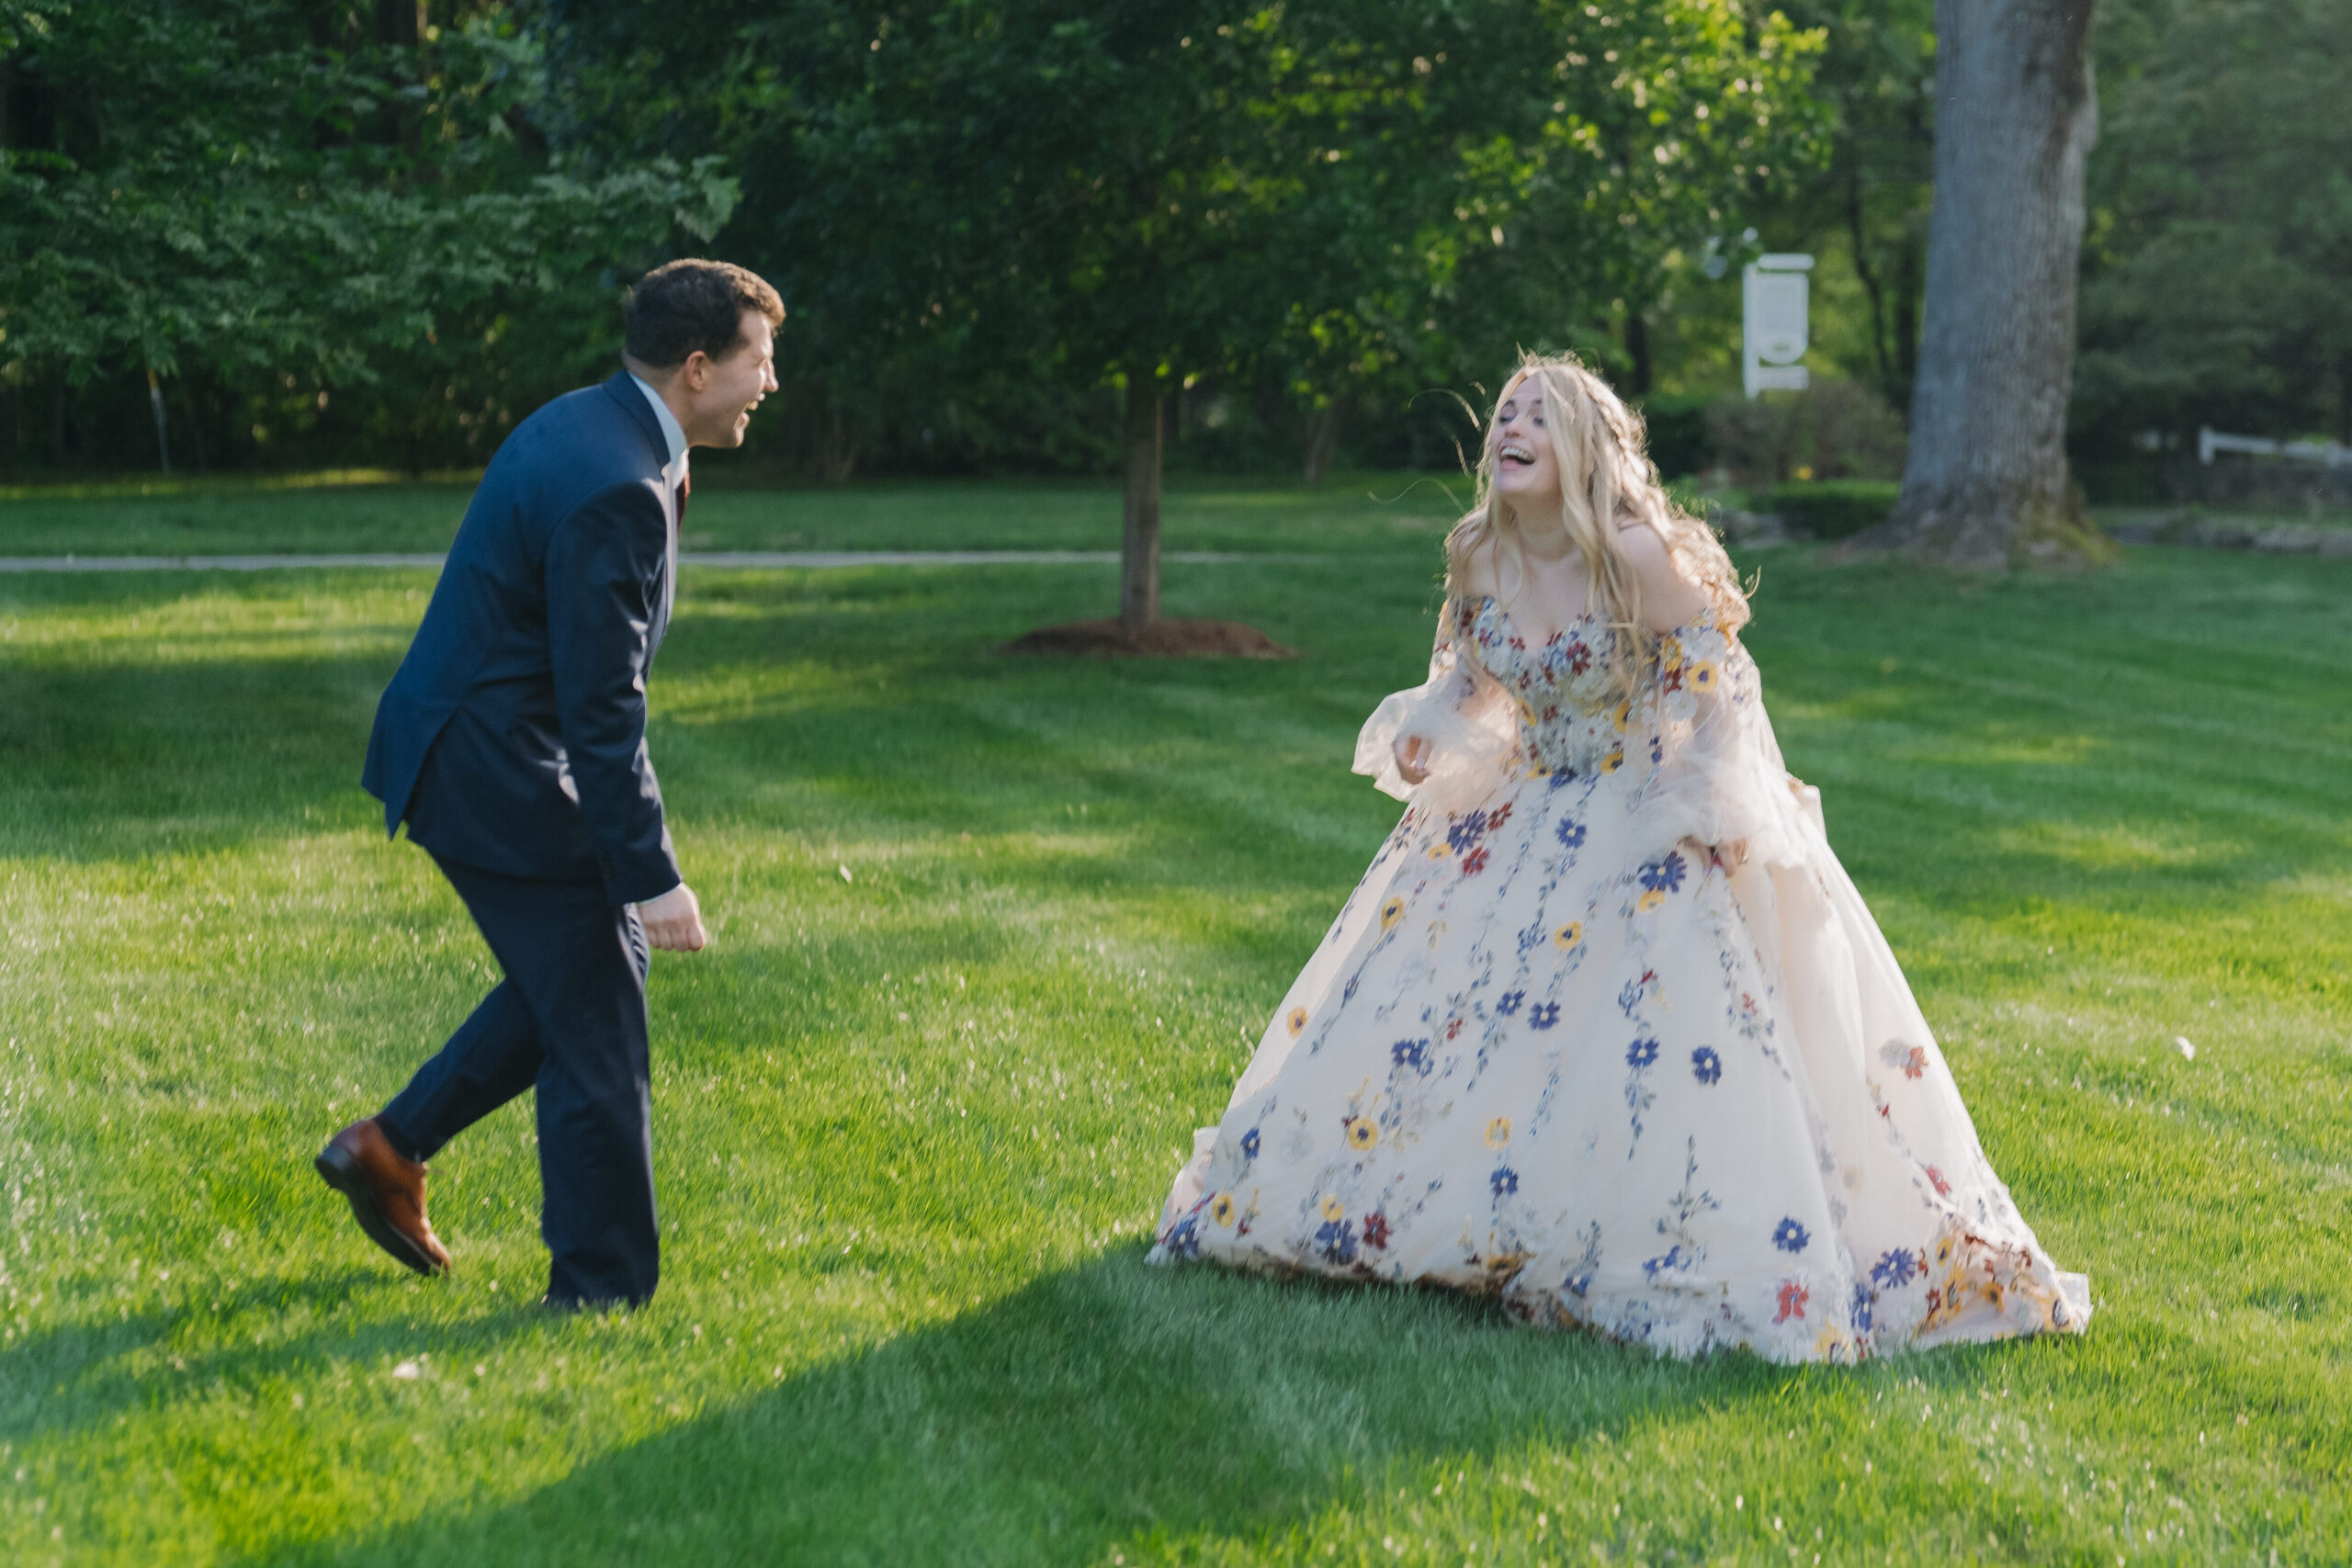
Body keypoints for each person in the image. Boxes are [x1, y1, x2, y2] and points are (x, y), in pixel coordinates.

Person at [1149, 354, 2091, 1362]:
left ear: (1585, 449)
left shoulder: (1643, 559)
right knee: (1447, 1027)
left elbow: (1719, 691)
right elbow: (1474, 674)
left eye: (1536, 420)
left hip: (1638, 807)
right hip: (1516, 816)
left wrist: (1702, 809)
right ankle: (1438, 1218)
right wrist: (1437, 725)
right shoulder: (1479, 553)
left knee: (1641, 1032)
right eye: (1502, 415)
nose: (1508, 429)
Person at [315, 259, 782, 1310]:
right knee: (601, 1011)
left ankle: (387, 1151)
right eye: (760, 360)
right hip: (489, 767)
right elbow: (602, 705)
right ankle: (600, 1294)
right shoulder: (615, 479)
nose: (771, 382)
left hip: (482, 748)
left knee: (571, 984)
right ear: (699, 366)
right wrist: (651, 874)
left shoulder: (596, 424)